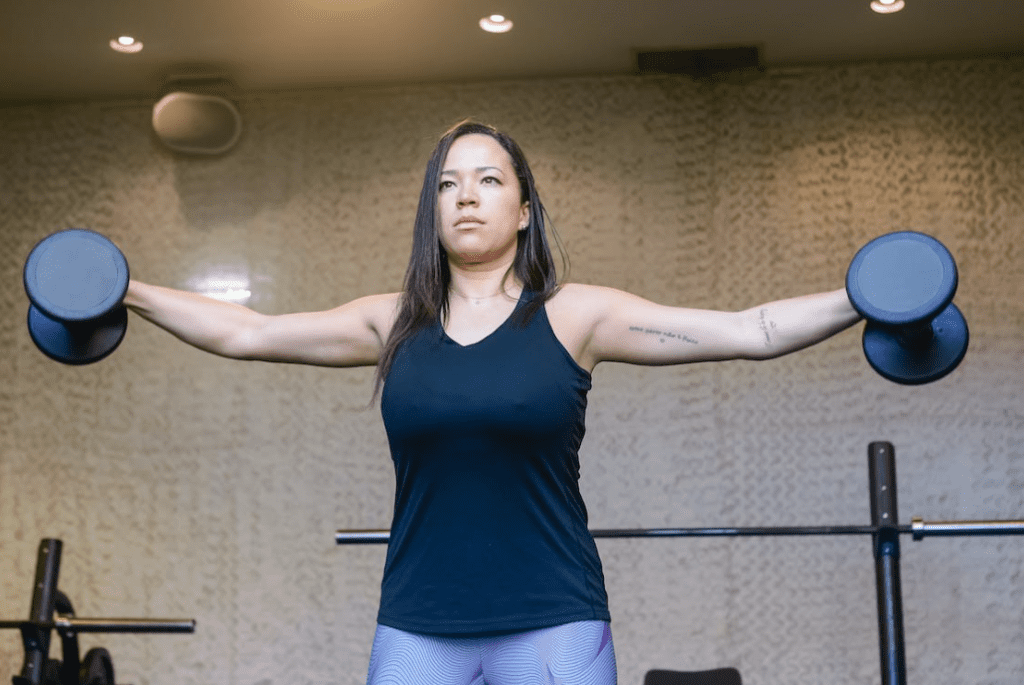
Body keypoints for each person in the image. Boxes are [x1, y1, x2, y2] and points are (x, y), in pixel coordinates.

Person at [124, 120, 862, 684]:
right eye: (448, 184)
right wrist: (121, 289)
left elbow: (748, 329)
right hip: (419, 622)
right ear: (433, 209)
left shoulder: (577, 315)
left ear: (524, 210)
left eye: (487, 180)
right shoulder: (392, 322)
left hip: (553, 618)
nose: (466, 195)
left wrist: (867, 296)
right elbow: (247, 332)